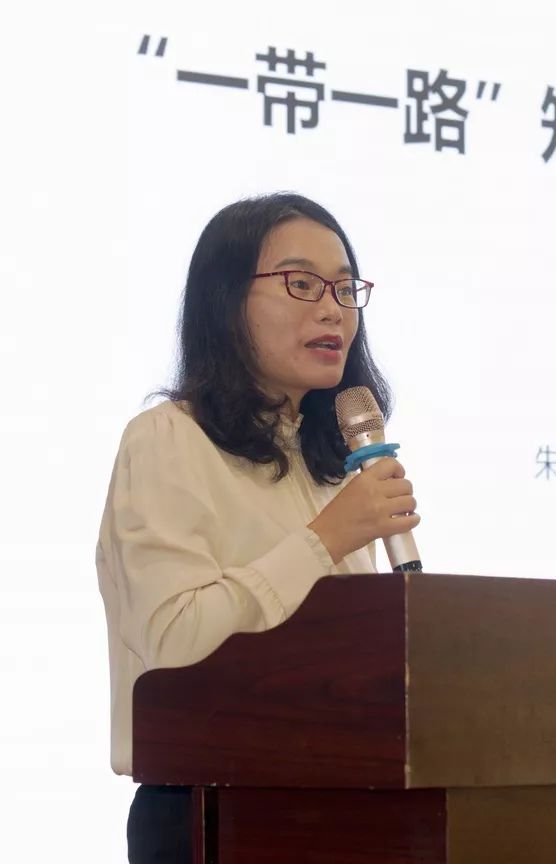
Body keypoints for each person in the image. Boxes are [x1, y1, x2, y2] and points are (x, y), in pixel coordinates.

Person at [96, 193, 420, 863]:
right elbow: (174, 647)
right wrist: (324, 540)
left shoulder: (333, 464)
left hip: (345, 806)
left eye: (344, 289)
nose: (332, 310)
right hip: (212, 815)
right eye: (301, 284)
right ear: (225, 301)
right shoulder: (167, 440)